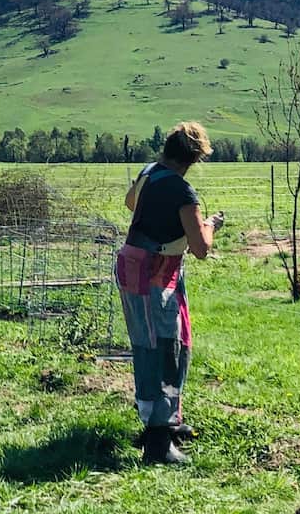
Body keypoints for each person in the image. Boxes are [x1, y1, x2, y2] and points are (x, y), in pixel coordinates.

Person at [115, 121, 224, 465]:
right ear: (194, 158)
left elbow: (130, 203)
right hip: (154, 273)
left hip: (135, 266)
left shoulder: (149, 172)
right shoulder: (183, 192)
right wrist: (210, 225)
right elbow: (201, 248)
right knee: (164, 348)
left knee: (151, 345)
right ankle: (158, 442)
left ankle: (163, 420)